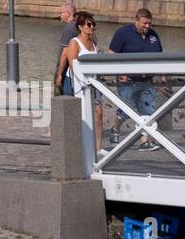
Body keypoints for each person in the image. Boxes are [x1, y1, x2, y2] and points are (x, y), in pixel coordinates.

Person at [108, 8, 164, 150]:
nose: (147, 26)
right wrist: (119, 73)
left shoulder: (153, 35)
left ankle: (144, 142)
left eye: (149, 24)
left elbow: (160, 57)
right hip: (128, 81)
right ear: (136, 20)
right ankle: (115, 129)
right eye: (144, 23)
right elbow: (111, 54)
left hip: (148, 81)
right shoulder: (123, 33)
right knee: (126, 111)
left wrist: (163, 76)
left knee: (148, 111)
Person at [54, 11, 104, 152]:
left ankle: (98, 147)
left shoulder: (93, 41)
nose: (92, 27)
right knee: (79, 114)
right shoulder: (74, 42)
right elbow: (73, 64)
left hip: (93, 81)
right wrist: (59, 75)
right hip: (78, 83)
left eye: (93, 24)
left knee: (99, 113)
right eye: (89, 24)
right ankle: (75, 145)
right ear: (81, 27)